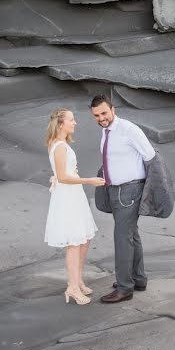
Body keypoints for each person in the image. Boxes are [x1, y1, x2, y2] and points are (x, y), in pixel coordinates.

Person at [90, 94, 157, 303]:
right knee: (131, 235)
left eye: (104, 113)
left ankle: (124, 288)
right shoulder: (106, 131)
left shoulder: (128, 130)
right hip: (116, 191)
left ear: (113, 109)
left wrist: (146, 188)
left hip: (129, 192)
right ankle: (138, 279)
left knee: (122, 238)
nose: (101, 118)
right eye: (96, 115)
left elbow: (150, 156)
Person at [44, 108, 104, 305]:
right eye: (71, 119)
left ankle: (77, 280)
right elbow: (62, 177)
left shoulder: (60, 144)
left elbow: (65, 173)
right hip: (68, 196)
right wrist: (89, 181)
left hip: (73, 194)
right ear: (61, 124)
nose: (75, 122)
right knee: (74, 242)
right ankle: (72, 287)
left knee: (84, 239)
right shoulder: (59, 146)